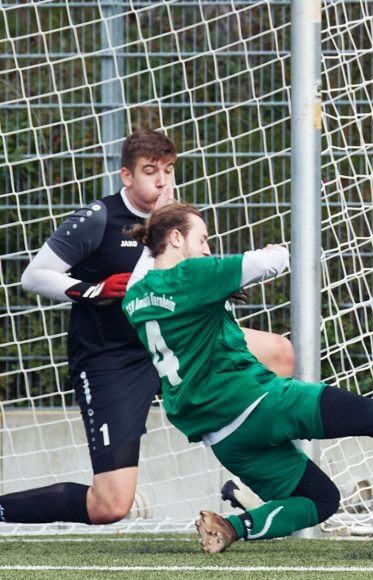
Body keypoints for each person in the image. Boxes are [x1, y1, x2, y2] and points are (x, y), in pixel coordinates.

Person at [122, 203, 373, 553]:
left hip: (222, 437)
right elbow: (269, 262)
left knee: (321, 500)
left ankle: (231, 527)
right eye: (202, 239)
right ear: (175, 238)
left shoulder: (134, 297)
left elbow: (164, 288)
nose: (207, 249)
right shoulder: (190, 275)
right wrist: (277, 251)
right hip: (255, 403)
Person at [1, 130, 289, 527]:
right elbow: (33, 276)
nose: (161, 181)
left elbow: (193, 279)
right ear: (127, 176)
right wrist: (91, 290)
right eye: (150, 171)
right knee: (110, 505)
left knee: (279, 353)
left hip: (177, 346)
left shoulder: (178, 220)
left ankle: (256, 484)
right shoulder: (98, 219)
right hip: (113, 360)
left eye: (168, 170)